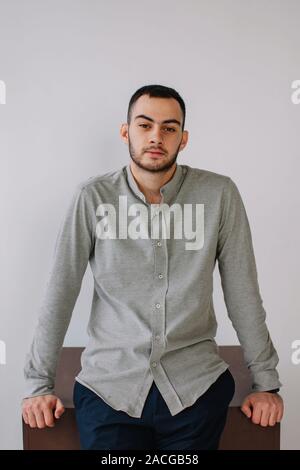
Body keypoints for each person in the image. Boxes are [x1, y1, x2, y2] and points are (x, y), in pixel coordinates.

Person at [22, 84, 284, 450]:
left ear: (184, 138)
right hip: (109, 387)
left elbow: (243, 293)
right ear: (125, 131)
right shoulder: (92, 198)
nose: (156, 137)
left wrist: (266, 384)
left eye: (169, 128)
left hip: (196, 386)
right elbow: (60, 292)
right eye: (145, 125)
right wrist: (38, 386)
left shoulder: (219, 195)